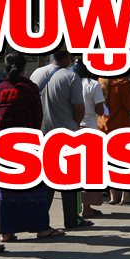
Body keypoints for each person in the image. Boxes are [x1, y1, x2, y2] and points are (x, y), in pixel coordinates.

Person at [0, 54, 64, 241]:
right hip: (26, 142)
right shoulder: (29, 88)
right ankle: (41, 228)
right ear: (24, 68)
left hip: (3, 143)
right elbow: (37, 116)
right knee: (34, 187)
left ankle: (7, 231)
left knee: (6, 188)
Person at [31, 48, 90, 230]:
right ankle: (70, 220)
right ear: (67, 57)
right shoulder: (71, 77)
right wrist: (74, 124)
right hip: (65, 134)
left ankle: (41, 220)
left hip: (42, 133)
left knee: (47, 179)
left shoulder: (36, 73)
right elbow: (79, 108)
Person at [99, 66, 130, 205]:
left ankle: (113, 196)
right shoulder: (123, 82)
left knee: (109, 162)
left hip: (104, 125)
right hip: (121, 125)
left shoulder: (101, 81)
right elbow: (129, 105)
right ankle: (126, 196)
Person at [76, 61, 108, 218]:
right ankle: (87, 207)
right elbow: (100, 110)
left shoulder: (73, 84)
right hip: (91, 128)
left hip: (75, 127)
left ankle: (77, 206)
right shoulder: (94, 85)